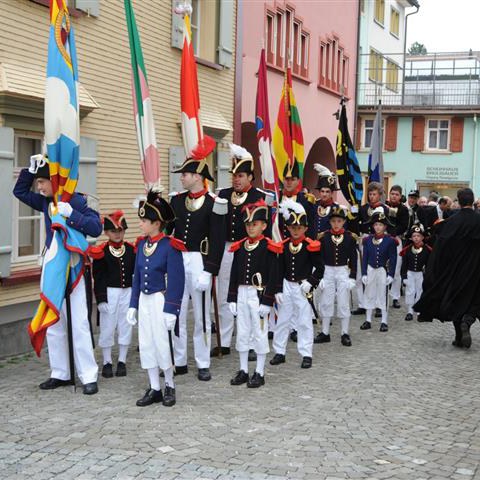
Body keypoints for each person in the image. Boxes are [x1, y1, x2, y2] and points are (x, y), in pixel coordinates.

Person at [13, 154, 102, 394]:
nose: (39, 187)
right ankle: (60, 372)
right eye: (38, 182)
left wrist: (72, 214)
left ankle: (88, 375)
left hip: (73, 267)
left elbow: (96, 227)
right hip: (53, 266)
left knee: (79, 322)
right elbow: (19, 192)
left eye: (42, 182)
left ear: (54, 181)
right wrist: (30, 171)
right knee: (55, 321)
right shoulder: (44, 202)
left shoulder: (77, 200)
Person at [168, 137, 227, 381]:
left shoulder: (216, 203)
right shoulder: (176, 200)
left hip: (200, 261)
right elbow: (168, 231)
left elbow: (217, 239)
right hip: (178, 259)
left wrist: (209, 270)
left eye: (185, 173)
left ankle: (203, 362)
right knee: (177, 312)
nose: (181, 177)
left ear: (197, 175)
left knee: (202, 315)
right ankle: (179, 360)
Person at [213, 143, 273, 358]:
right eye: (234, 175)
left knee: (251, 297)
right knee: (225, 296)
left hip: (252, 249)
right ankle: (225, 341)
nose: (236, 179)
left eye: (241, 175)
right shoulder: (223, 194)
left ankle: (251, 342)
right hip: (227, 249)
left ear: (250, 177)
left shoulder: (261, 197)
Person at [127, 190, 185, 407]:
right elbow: (137, 277)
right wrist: (133, 304)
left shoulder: (171, 246)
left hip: (161, 301)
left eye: (144, 221)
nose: (140, 224)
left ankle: (169, 384)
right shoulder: (141, 245)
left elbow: (177, 281)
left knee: (162, 344)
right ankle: (154, 387)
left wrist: (172, 310)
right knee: (147, 343)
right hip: (144, 300)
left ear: (156, 223)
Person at [415, 188, 480, 349]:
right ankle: (467, 322)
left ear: (458, 200)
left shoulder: (452, 221)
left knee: (457, 299)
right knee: (474, 299)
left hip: (456, 269)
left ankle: (459, 335)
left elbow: (441, 246)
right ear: (472, 201)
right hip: (476, 269)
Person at [228, 200, 280, 388]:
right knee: (242, 332)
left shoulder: (269, 247)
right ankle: (243, 370)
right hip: (242, 293)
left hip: (259, 295)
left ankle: (259, 371)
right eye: (248, 224)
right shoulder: (239, 247)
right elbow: (234, 274)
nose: (251, 228)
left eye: (255, 224)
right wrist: (232, 297)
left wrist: (267, 301)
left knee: (259, 332)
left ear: (264, 226)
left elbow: (274, 276)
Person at [270, 199, 323, 369]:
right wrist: (277, 289)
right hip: (286, 285)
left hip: (302, 288)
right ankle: (279, 352)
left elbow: (320, 268)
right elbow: (278, 269)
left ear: (305, 229)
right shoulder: (283, 246)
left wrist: (311, 282)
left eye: (299, 228)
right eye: (293, 228)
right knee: (283, 320)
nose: (295, 231)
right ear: (288, 228)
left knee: (304, 322)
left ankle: (306, 353)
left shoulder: (310, 246)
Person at [89, 211, 135, 378]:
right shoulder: (101, 251)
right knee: (108, 326)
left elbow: (135, 273)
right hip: (109, 292)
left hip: (127, 292)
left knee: (126, 324)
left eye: (121, 231)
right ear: (107, 232)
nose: (118, 234)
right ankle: (107, 361)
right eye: (114, 231)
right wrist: (101, 298)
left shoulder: (131, 250)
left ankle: (122, 360)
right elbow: (98, 277)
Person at [315, 207, 357, 346]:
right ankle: (325, 332)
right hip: (327, 271)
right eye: (333, 221)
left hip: (342, 271)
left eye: (339, 221)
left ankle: (345, 333)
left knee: (343, 301)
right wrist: (319, 277)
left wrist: (352, 276)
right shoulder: (324, 237)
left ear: (344, 221)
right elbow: (319, 259)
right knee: (326, 301)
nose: (336, 224)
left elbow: (354, 259)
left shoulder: (350, 238)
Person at [352, 181, 391, 316]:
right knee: (364, 272)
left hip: (380, 240)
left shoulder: (385, 209)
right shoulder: (363, 208)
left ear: (380, 195)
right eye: (370, 194)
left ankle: (380, 305)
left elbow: (388, 226)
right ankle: (363, 303)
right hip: (366, 240)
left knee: (379, 273)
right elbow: (358, 225)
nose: (371, 197)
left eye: (374, 194)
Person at [360, 210, 398, 332]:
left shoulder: (390, 241)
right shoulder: (367, 240)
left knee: (383, 295)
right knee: (369, 294)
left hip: (383, 270)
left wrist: (391, 274)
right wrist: (364, 273)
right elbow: (364, 257)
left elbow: (393, 259)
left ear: (385, 226)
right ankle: (368, 320)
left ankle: (384, 321)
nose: (378, 227)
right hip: (371, 269)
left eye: (380, 225)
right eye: (376, 224)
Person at [400, 224, 431, 321]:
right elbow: (404, 264)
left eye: (418, 236)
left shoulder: (427, 250)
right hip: (410, 273)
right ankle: (409, 311)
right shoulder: (408, 249)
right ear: (411, 238)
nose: (416, 238)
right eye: (414, 236)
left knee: (420, 291)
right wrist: (404, 276)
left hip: (420, 274)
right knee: (410, 291)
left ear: (422, 237)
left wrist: (428, 276)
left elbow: (429, 264)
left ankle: (418, 310)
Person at [278, 158, 315, 239]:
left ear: (298, 181)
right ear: (283, 180)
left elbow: (311, 227)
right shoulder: (276, 198)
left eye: (293, 179)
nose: (289, 182)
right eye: (287, 179)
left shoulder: (305, 200)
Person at [386, 185, 409, 309]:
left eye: (396, 194)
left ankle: (395, 297)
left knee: (396, 270)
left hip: (395, 239)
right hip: (382, 239)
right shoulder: (384, 206)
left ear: (400, 196)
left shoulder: (403, 209)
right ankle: (381, 295)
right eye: (392, 193)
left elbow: (404, 225)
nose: (394, 196)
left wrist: (392, 233)